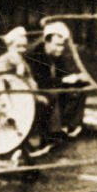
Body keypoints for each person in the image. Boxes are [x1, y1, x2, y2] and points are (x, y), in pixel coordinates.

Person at [25, 21, 89, 154]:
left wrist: (75, 78)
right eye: (57, 45)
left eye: (62, 45)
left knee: (80, 88)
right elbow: (40, 81)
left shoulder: (56, 55)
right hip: (33, 89)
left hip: (50, 84)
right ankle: (52, 134)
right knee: (52, 94)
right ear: (47, 42)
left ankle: (69, 127)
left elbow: (62, 73)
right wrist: (65, 80)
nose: (61, 49)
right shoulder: (35, 54)